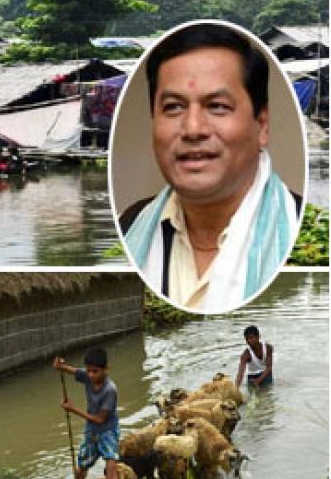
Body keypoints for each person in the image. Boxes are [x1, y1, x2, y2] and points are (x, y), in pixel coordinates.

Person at [119, 23, 301, 311]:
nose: (193, 129)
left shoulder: (307, 233)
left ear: (262, 125)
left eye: (217, 106)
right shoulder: (128, 227)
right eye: (173, 107)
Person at [52, 348, 134, 479]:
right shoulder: (88, 377)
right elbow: (75, 371)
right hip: (91, 432)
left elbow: (100, 419)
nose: (91, 375)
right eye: (89, 370)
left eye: (95, 371)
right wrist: (60, 367)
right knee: (80, 472)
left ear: (106, 369)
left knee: (112, 477)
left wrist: (73, 409)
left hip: (107, 433)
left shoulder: (110, 390)